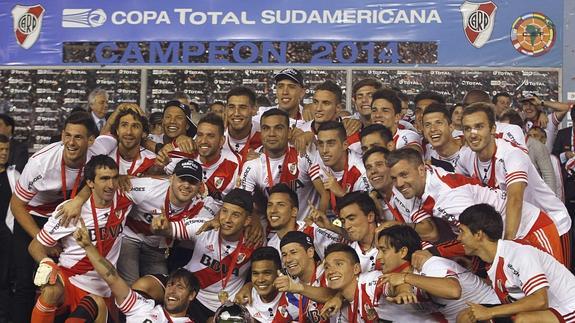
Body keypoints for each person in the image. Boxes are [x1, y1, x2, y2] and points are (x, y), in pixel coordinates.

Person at [388, 148, 564, 263]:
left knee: (555, 296)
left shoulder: (447, 197)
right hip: (502, 239)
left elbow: (476, 237)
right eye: (394, 178)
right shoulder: (424, 183)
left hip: (530, 229)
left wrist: (434, 253)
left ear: (421, 169)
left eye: (404, 175)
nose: (399, 183)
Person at [9, 112, 99, 322]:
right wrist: (42, 239)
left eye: (78, 137)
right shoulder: (40, 163)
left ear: (91, 141)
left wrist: (79, 199)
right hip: (33, 216)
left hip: (66, 217)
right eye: (67, 135)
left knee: (60, 280)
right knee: (24, 283)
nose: (71, 142)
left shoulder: (98, 154)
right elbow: (16, 205)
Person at [456, 103, 570, 262]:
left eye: (479, 126)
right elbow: (460, 191)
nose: (473, 134)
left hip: (549, 223)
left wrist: (506, 248)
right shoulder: (465, 157)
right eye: (467, 128)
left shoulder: (511, 155)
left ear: (493, 129)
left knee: (554, 283)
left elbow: (515, 200)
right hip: (517, 226)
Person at [28, 155, 132, 323]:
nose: (111, 185)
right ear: (90, 183)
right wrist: (47, 263)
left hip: (103, 287)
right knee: (51, 290)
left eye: (114, 178)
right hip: (70, 279)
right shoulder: (70, 210)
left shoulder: (126, 198)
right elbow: (35, 246)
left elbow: (159, 182)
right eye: (104, 179)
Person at [151, 188, 258, 322]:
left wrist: (249, 285)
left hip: (221, 306)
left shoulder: (255, 242)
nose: (227, 219)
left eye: (235, 215)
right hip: (188, 292)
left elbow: (267, 273)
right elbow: (169, 230)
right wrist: (160, 227)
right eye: (224, 211)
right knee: (145, 286)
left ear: (247, 221)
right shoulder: (205, 226)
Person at [458, 204, 575, 323]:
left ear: (478, 235)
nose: (458, 238)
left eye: (462, 232)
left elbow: (540, 301)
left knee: (523, 320)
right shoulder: (492, 260)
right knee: (466, 316)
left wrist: (489, 312)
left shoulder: (518, 253)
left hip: (568, 307)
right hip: (544, 312)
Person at [74, 215, 199, 322]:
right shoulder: (143, 307)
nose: (172, 290)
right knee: (94, 301)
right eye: (170, 285)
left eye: (180, 287)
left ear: (191, 295)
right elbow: (113, 278)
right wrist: (88, 247)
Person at [378, 225, 499, 322]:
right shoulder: (395, 278)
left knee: (465, 317)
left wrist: (406, 278)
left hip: (494, 309)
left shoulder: (430, 264)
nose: (378, 257)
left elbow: (454, 291)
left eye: (383, 250)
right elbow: (400, 287)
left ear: (403, 251)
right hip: (465, 317)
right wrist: (403, 288)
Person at [239, 108, 327, 220]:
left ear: (289, 132)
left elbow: (325, 194)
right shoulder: (252, 164)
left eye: (278, 128)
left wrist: (316, 223)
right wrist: (254, 219)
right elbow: (242, 202)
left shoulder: (303, 155)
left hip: (304, 228)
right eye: (266, 128)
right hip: (272, 229)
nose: (271, 134)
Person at [265, 183, 342, 260]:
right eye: (270, 205)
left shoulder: (312, 230)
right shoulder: (271, 244)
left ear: (294, 211)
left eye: (280, 205)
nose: (272, 210)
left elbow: (344, 247)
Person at [315, 121, 371, 214]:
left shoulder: (361, 171)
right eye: (321, 144)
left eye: (330, 143)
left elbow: (369, 213)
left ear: (345, 145)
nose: (324, 150)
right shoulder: (319, 163)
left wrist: (342, 194)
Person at [195, 114, 241, 201]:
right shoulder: (186, 157)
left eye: (210, 136)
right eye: (200, 135)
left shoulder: (236, 164)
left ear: (222, 141)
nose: (203, 141)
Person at [243, 246, 296, 322]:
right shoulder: (244, 300)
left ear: (279, 273)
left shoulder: (292, 299)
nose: (260, 280)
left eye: (267, 273)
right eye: (255, 273)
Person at [336, 192, 381, 273]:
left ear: (370, 217)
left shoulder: (394, 239)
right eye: (343, 221)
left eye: (351, 219)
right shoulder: (348, 254)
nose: (346, 226)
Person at [0, 135, 17, 322]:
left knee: (3, 280)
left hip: (5, 235)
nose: (4, 153)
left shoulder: (13, 175)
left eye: (6, 150)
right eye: (0, 149)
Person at [222, 86, 262, 167]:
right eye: (231, 107)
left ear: (254, 109)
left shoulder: (265, 134)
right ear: (226, 109)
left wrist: (263, 161)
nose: (236, 113)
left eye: (242, 107)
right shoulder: (214, 135)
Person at [422, 103, 463, 172]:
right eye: (427, 125)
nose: (433, 129)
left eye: (438, 123)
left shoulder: (470, 150)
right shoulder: (427, 154)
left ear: (451, 127)